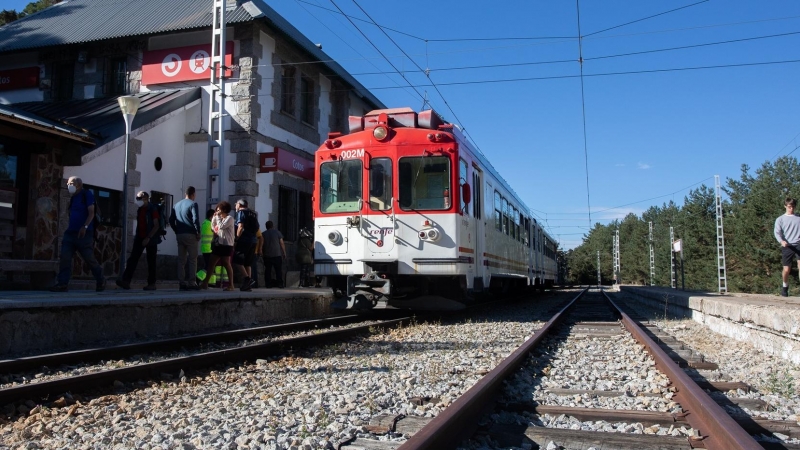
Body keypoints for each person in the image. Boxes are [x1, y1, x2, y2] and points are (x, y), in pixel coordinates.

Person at [49, 176, 106, 292]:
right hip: (71, 233)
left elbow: (91, 213)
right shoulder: (73, 198)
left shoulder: (87, 195)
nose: (68, 185)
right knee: (65, 257)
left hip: (84, 234)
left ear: (78, 185)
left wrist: (84, 227)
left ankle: (101, 279)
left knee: (89, 258)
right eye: (68, 183)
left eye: (71, 183)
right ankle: (62, 283)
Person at [117, 191, 163, 290]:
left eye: (139, 198)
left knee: (151, 261)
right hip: (140, 237)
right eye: (137, 198)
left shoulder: (152, 209)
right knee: (133, 259)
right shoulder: (140, 209)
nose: (137, 200)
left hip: (150, 238)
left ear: (145, 198)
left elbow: (156, 225)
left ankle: (151, 284)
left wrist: (148, 238)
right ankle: (126, 281)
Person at [169, 186, 202, 291]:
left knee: (181, 260)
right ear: (193, 194)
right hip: (190, 234)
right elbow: (195, 219)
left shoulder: (176, 205)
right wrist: (198, 232)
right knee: (192, 259)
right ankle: (192, 283)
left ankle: (181, 283)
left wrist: (176, 230)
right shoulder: (193, 204)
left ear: (185, 194)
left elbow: (171, 220)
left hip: (180, 234)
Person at [200, 201, 235, 291]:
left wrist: (218, 218)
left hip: (227, 244)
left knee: (226, 263)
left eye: (219, 209)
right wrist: (214, 219)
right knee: (211, 263)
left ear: (224, 210)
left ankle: (231, 285)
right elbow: (213, 228)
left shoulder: (229, 218)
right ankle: (205, 283)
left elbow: (221, 226)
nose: (217, 211)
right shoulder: (219, 218)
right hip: (218, 243)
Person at [774, 196, 800, 297]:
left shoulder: (798, 218)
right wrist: (781, 241)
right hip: (787, 245)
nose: (791, 208)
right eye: (789, 206)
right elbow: (777, 232)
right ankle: (785, 286)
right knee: (786, 269)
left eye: (793, 206)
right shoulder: (780, 219)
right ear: (785, 206)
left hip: (798, 243)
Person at [232, 199, 259, 291]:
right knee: (248, 263)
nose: (235, 206)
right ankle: (248, 285)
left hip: (244, 239)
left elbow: (240, 227)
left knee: (237, 260)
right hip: (253, 240)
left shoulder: (241, 213)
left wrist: (236, 239)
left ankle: (247, 279)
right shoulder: (253, 214)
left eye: (236, 204)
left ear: (239, 204)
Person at [262, 220, 286, 288]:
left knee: (268, 270)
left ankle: (268, 284)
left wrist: (261, 251)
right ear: (273, 226)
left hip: (267, 255)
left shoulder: (263, 234)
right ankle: (280, 284)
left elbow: (262, 244)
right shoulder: (278, 233)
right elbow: (281, 243)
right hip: (277, 255)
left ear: (266, 226)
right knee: (278, 270)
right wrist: (284, 252)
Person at [198, 208, 216, 286]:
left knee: (210, 265)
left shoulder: (204, 222)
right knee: (209, 266)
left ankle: (211, 282)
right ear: (211, 216)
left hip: (205, 248)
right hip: (210, 248)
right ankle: (198, 278)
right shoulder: (210, 224)